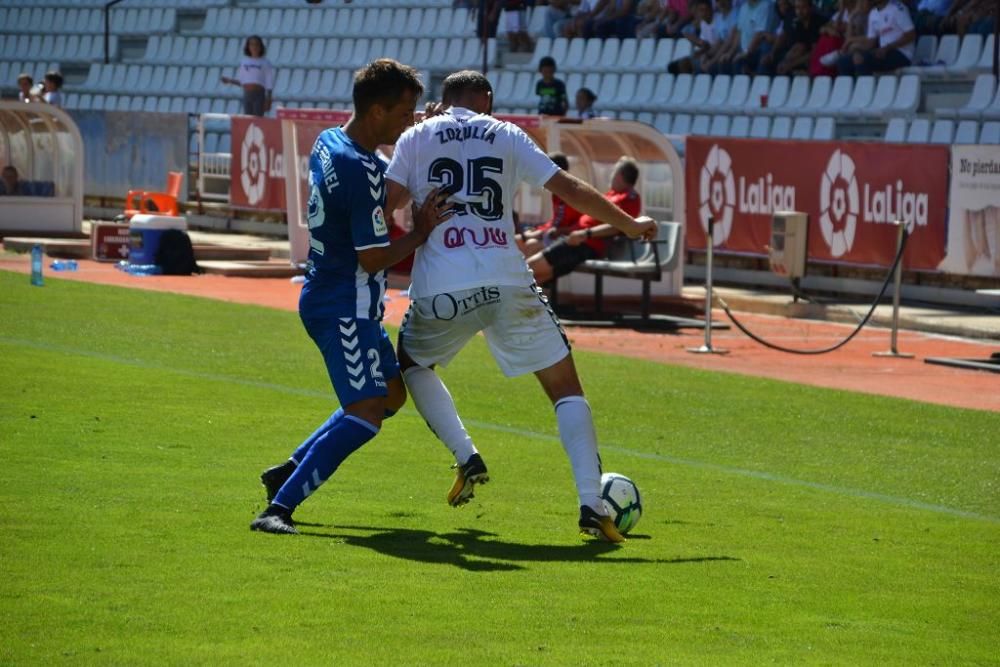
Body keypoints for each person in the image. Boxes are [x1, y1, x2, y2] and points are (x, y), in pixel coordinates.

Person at [384, 70, 657, 543]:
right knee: (565, 388)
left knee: (412, 364)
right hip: (507, 280)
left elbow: (388, 203)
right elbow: (569, 188)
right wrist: (629, 224)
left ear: (443, 100)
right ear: (485, 99)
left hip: (441, 285)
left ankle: (466, 455)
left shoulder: (416, 134)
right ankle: (592, 504)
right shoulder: (505, 132)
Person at [250, 59, 453, 535]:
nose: (410, 118)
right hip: (344, 304)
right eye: (404, 111)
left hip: (341, 297)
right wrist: (421, 232)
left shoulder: (333, 141)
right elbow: (374, 258)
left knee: (392, 395)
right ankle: (277, 509)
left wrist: (418, 130)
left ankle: (290, 468)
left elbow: (377, 189)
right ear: (377, 110)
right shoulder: (359, 171)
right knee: (366, 413)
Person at [526, 156, 642, 286]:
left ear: (619, 175)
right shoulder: (611, 194)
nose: (612, 177)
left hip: (585, 244)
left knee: (528, 270)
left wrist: (586, 234)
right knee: (536, 274)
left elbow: (619, 225)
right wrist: (562, 231)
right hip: (576, 238)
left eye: (613, 173)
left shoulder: (630, 198)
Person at [515, 152, 584, 257]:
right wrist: (539, 230)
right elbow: (555, 221)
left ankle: (530, 273)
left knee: (531, 245)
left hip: (568, 238)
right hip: (553, 235)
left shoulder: (573, 193)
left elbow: (579, 224)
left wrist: (545, 232)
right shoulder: (556, 194)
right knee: (516, 241)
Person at [836, 0, 915, 76]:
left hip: (902, 53)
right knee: (843, 62)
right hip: (884, 52)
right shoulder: (873, 13)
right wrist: (856, 50)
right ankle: (851, 89)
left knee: (862, 60)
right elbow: (870, 43)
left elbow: (911, 35)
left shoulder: (898, 8)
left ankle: (865, 89)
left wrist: (887, 48)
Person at [221, 35, 275, 117]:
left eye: (256, 44)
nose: (254, 47)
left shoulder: (265, 62)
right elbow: (243, 81)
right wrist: (230, 80)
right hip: (247, 94)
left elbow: (269, 83)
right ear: (248, 47)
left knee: (258, 119)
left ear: (260, 47)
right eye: (252, 44)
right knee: (248, 118)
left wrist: (269, 99)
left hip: (259, 94)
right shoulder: (244, 62)